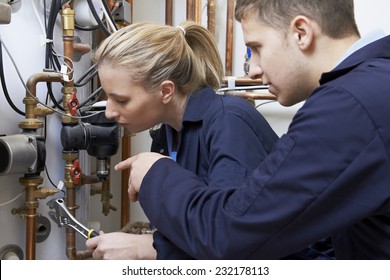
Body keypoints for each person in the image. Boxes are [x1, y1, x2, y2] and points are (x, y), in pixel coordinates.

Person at [118, 0, 390, 259]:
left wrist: (155, 173)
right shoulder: (372, 87)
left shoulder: (348, 106)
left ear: (301, 33)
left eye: (256, 48)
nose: (254, 71)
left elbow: (229, 235)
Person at [85, 20, 279, 259]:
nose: (109, 113)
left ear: (166, 91)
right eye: (108, 98)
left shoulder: (229, 122)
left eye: (121, 100)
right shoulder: (166, 134)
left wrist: (146, 249)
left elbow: (235, 243)